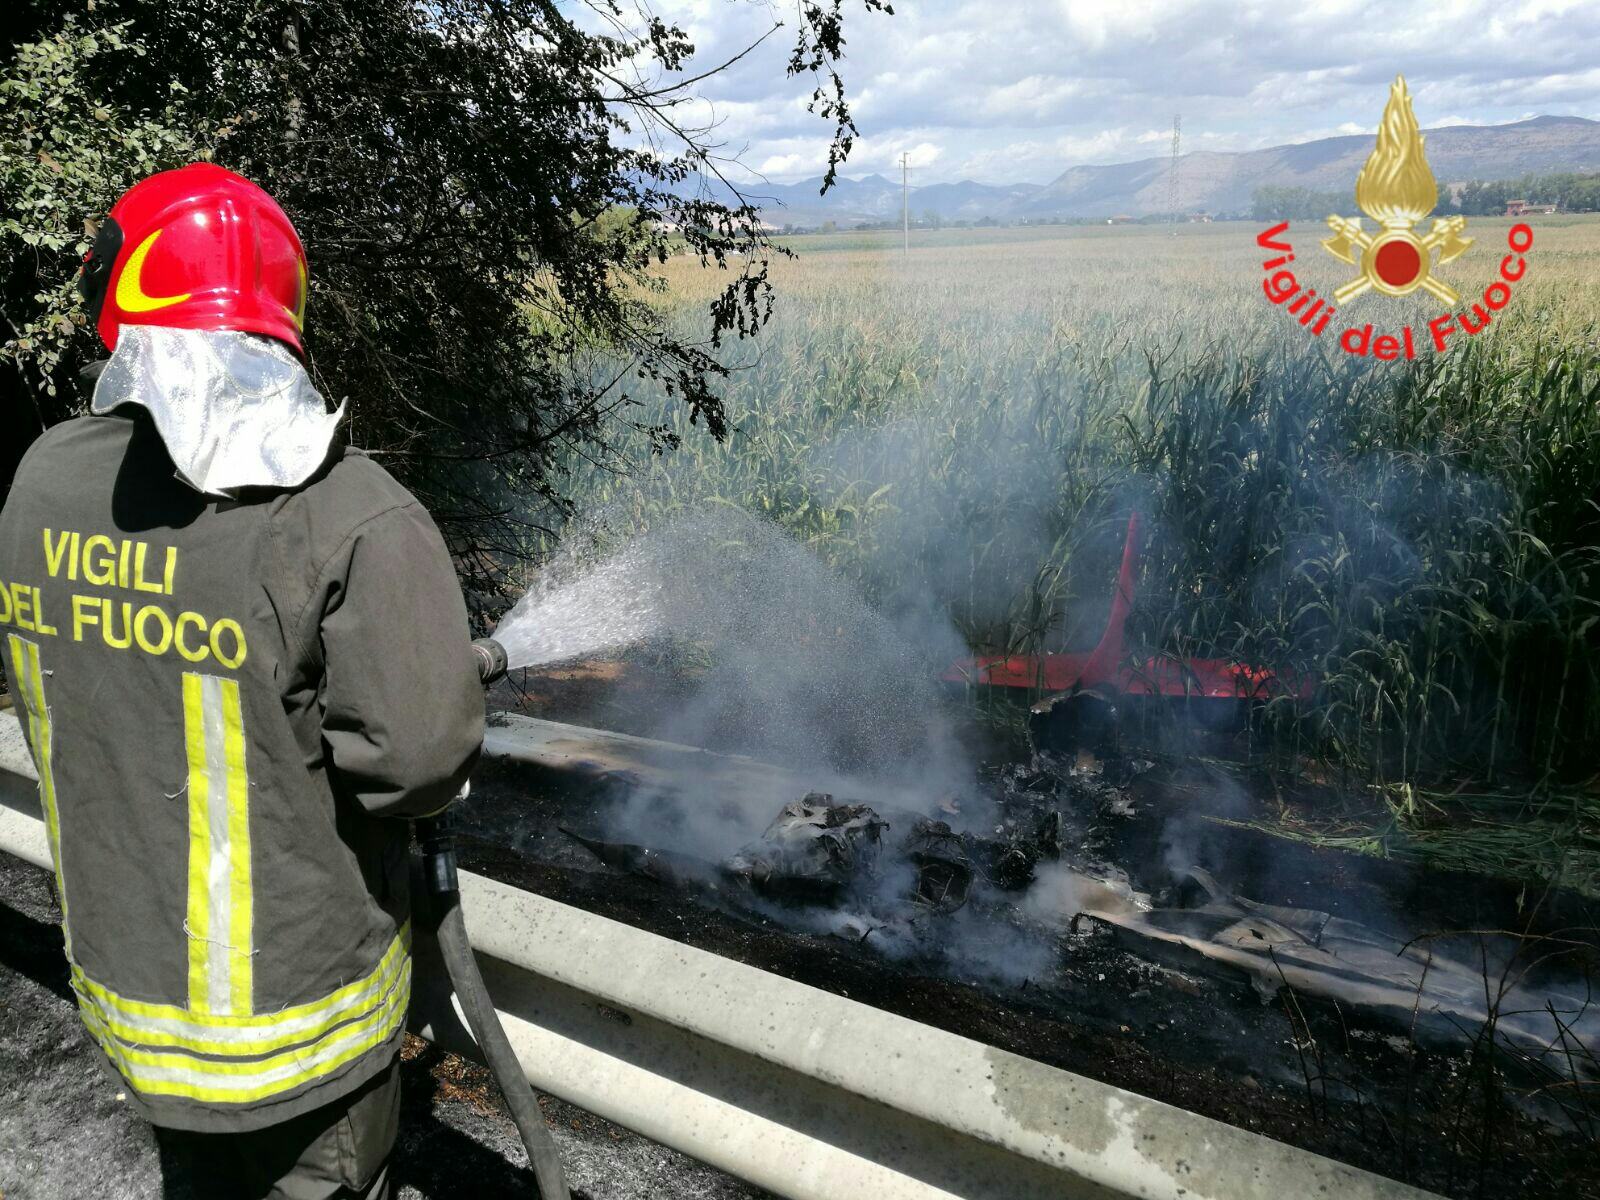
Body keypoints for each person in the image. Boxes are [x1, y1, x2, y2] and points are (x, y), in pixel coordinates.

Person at [0, 163, 485, 1198]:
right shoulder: (352, 513)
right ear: (285, 309)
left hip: (132, 1000)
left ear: (121, 296)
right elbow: (419, 765)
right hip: (301, 1036)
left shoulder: (39, 481)